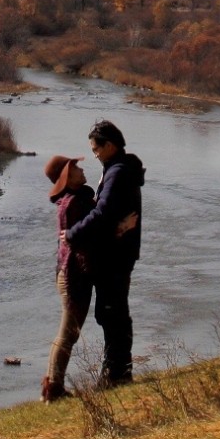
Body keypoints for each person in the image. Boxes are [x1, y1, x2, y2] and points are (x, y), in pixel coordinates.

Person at [65, 118, 145, 386]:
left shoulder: (118, 172)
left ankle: (117, 374)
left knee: (113, 313)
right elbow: (109, 214)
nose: (94, 154)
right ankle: (115, 372)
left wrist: (73, 234)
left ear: (109, 146)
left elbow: (103, 212)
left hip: (116, 256)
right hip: (118, 251)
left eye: (96, 149)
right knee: (111, 312)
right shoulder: (118, 169)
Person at [39, 154, 94, 403]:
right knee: (68, 332)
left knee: (67, 332)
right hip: (74, 275)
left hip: (67, 272)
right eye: (76, 168)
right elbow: (91, 233)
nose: (81, 170)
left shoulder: (71, 200)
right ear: (67, 177)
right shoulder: (75, 203)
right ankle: (54, 389)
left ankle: (52, 385)